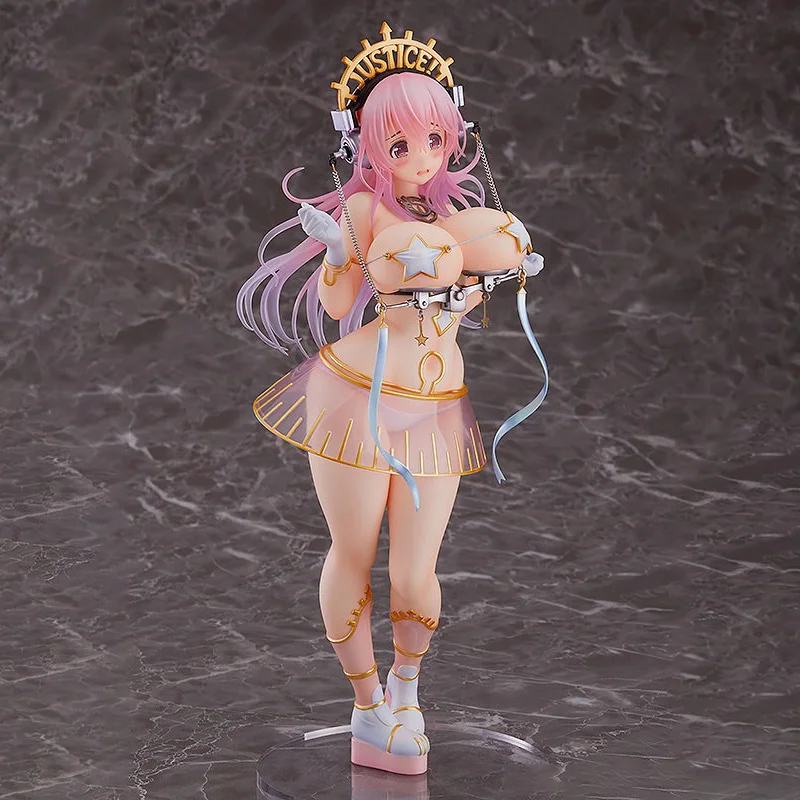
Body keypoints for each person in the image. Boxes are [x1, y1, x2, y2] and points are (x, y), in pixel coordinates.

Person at [236, 22, 547, 775]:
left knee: (415, 572)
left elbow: (462, 302)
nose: (421, 157)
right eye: (399, 144)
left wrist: (493, 272)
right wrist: (338, 252)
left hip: (436, 401)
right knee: (353, 550)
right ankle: (366, 704)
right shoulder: (365, 213)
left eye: (434, 140)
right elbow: (339, 300)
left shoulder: (452, 220)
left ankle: (406, 694)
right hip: (358, 394)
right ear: (367, 145)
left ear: (455, 136)